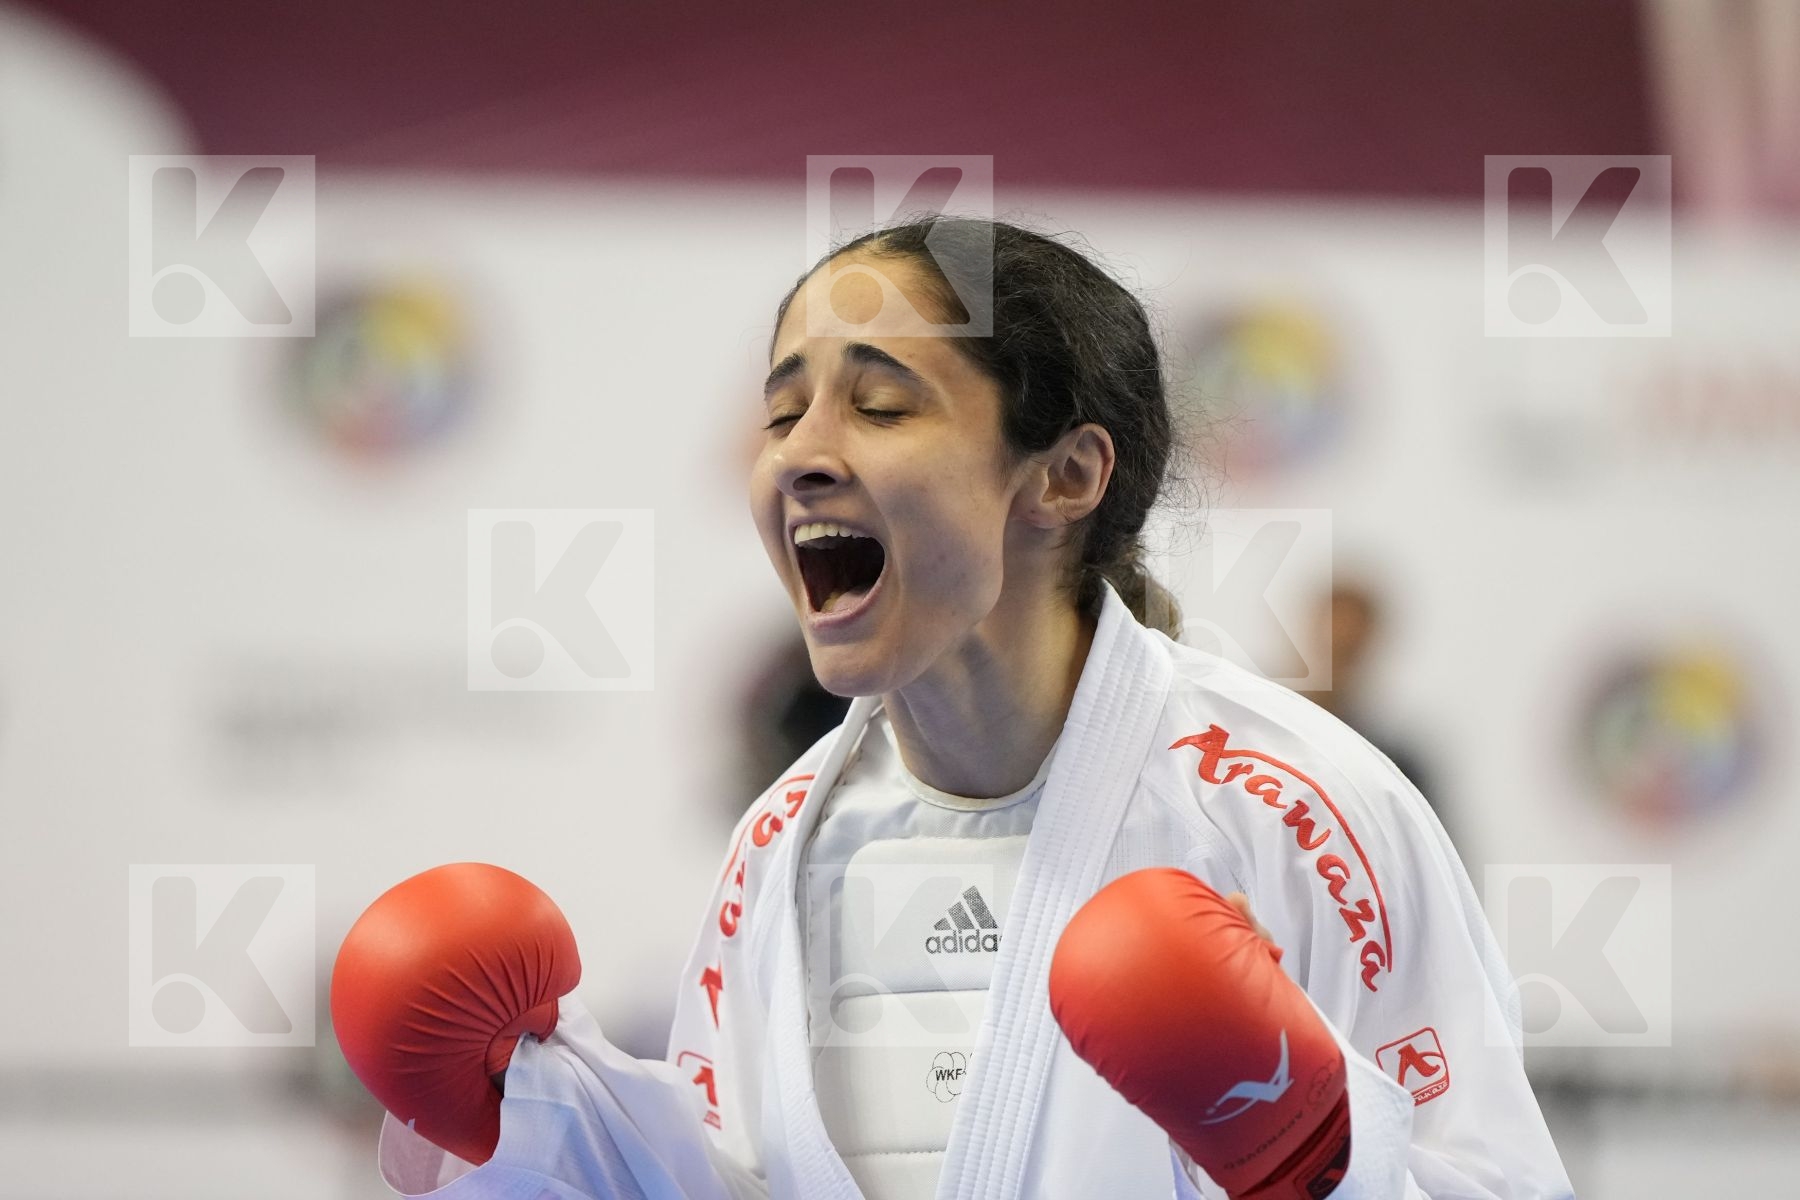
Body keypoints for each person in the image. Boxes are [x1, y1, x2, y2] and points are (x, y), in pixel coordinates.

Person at [333, 217, 1574, 1199]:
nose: (801, 453)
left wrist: (1315, 1157)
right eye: (782, 410)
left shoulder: (1297, 810)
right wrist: (541, 1114)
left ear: (1066, 476)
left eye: (879, 404)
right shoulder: (781, 846)